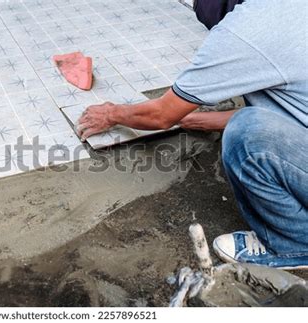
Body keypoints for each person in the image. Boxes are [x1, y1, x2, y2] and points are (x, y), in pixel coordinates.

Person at [77, 0, 308, 269]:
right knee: (248, 121)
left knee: (245, 135)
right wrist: (206, 120)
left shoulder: (250, 28)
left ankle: (296, 246)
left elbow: (161, 115)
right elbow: (292, 111)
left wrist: (112, 114)